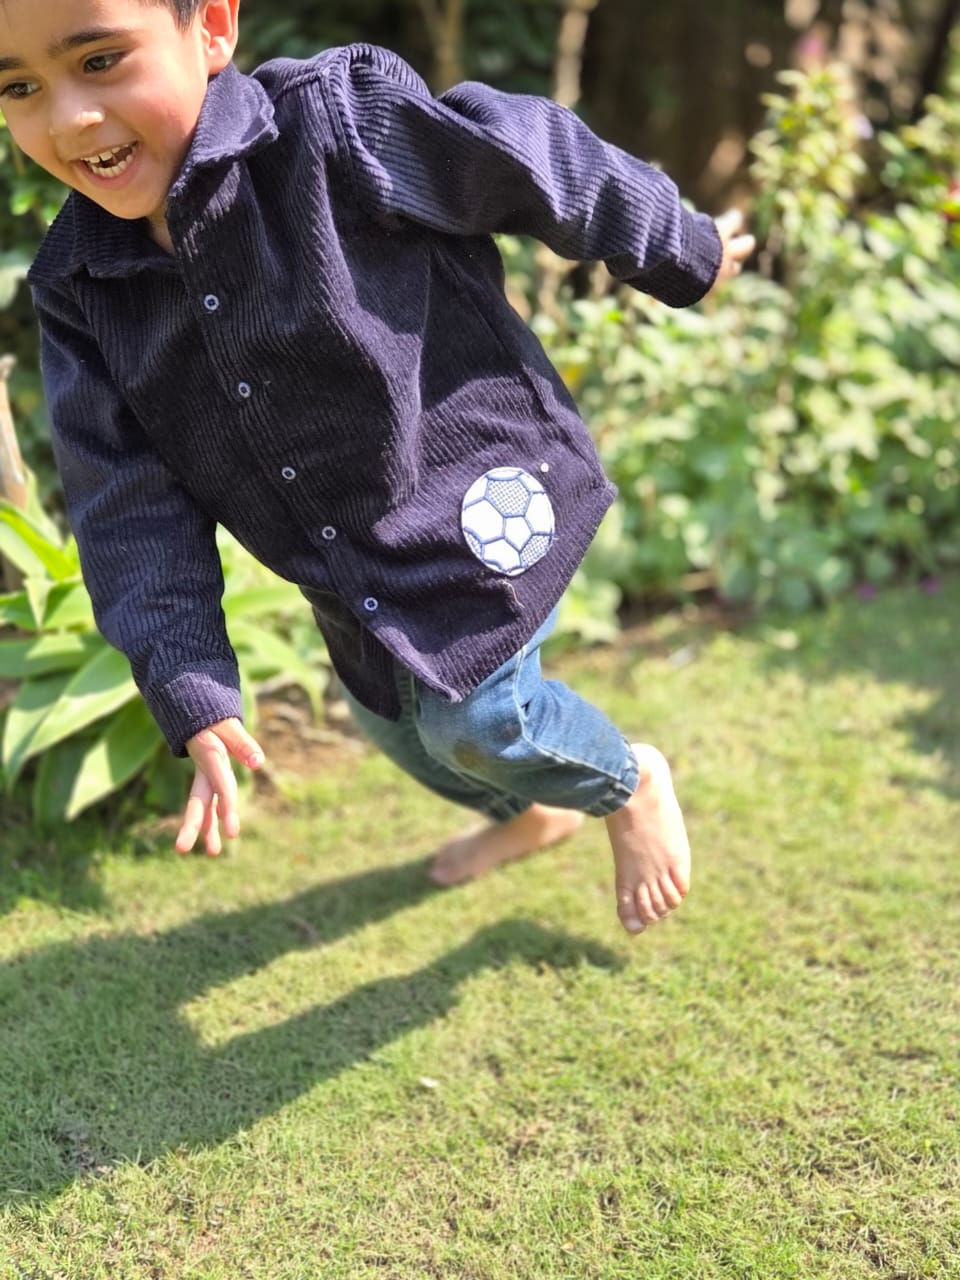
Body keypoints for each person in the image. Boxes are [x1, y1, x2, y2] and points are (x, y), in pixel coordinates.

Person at [3, 0, 754, 934]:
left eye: (100, 61)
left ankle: (626, 782)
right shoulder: (81, 289)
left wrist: (679, 243)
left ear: (213, 29)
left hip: (477, 493)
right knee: (395, 728)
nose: (70, 116)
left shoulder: (332, 125)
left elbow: (526, 155)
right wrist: (188, 678)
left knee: (474, 721)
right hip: (348, 566)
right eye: (19, 86)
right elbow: (125, 500)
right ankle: (536, 811)